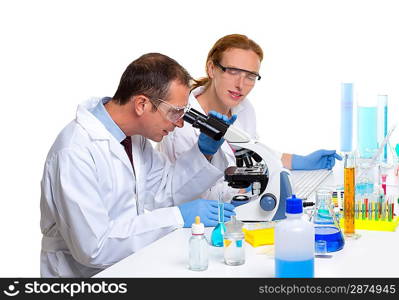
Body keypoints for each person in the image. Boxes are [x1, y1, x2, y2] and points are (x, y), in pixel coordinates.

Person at [40, 53, 236, 278]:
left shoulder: (133, 138)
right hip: (80, 277)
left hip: (126, 268)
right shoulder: (75, 151)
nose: (180, 123)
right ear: (141, 104)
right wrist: (178, 217)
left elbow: (165, 190)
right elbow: (94, 247)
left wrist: (204, 152)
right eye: (175, 112)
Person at [158, 34, 342, 201]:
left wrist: (298, 160)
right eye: (232, 71)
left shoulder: (243, 108)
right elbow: (185, 192)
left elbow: (252, 154)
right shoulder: (180, 123)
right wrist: (242, 194)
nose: (240, 85)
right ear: (212, 68)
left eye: (250, 76)